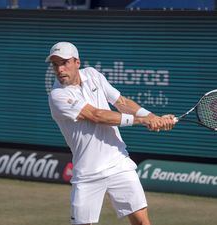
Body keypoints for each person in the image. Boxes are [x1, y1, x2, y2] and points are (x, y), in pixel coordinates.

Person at [46, 41, 175, 225]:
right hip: (87, 173)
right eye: (55, 64)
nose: (60, 69)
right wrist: (143, 121)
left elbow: (121, 101)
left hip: (118, 163)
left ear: (77, 62)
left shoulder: (92, 74)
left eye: (64, 62)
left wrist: (153, 117)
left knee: (142, 222)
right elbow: (97, 115)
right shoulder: (57, 96)